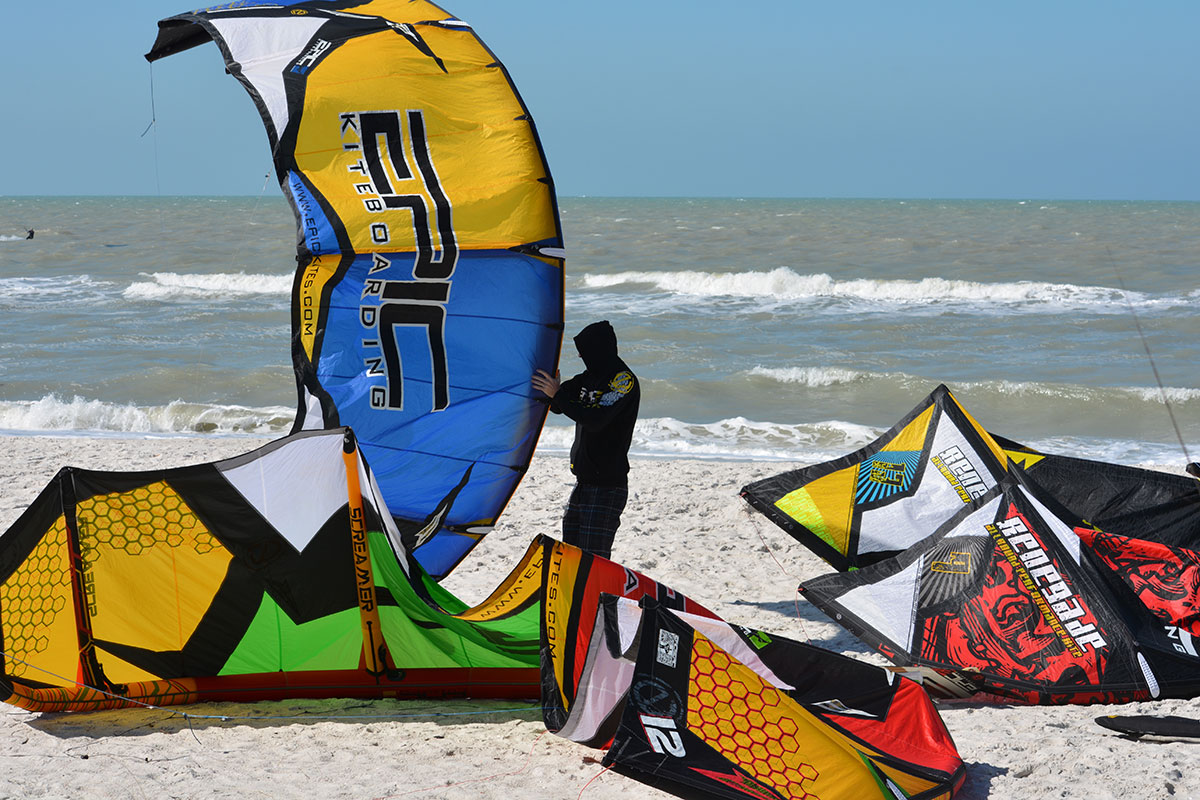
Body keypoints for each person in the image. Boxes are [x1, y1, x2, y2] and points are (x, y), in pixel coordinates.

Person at [531, 320, 639, 560]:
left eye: (585, 352)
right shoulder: (588, 378)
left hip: (608, 486)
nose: (581, 357)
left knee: (593, 561)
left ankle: (599, 600)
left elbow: (595, 420)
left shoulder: (623, 382)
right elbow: (559, 405)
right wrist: (552, 390)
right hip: (583, 482)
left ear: (599, 350)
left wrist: (557, 394)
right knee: (571, 556)